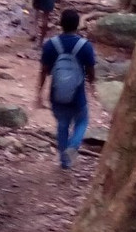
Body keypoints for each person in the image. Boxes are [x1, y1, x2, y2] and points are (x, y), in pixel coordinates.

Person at [37, 9, 97, 169]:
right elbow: (91, 71)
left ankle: (65, 162)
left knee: (62, 124)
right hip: (77, 95)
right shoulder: (85, 46)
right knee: (82, 121)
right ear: (78, 25)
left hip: (56, 94)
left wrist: (39, 92)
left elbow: (44, 70)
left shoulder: (51, 45)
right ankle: (74, 146)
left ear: (61, 24)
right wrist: (92, 86)